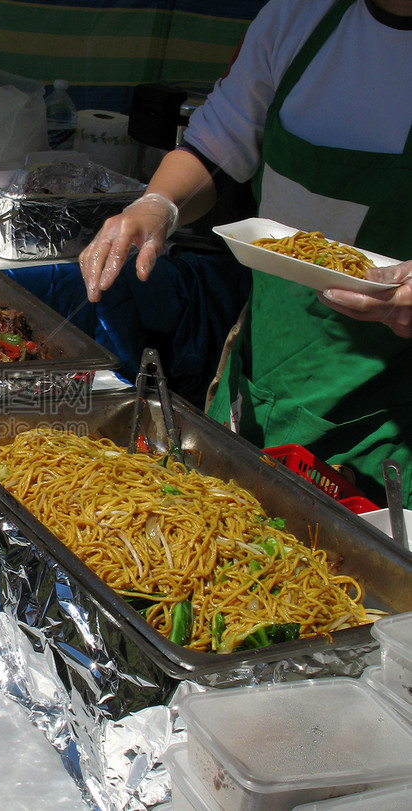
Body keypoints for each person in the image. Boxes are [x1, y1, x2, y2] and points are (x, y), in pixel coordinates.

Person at [79, 0, 412, 507]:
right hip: (263, 371)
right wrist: (157, 205)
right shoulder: (300, 14)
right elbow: (216, 149)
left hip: (388, 417)